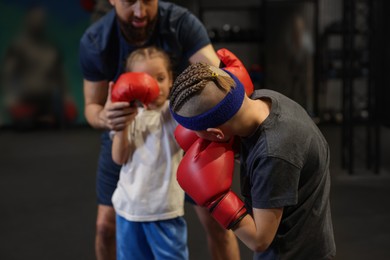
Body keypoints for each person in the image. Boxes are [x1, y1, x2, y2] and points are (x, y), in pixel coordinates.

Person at [79, 1, 239, 259]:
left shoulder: (181, 24)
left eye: (147, 1)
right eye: (130, 1)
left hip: (183, 129)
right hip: (127, 125)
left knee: (219, 224)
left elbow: (218, 82)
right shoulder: (97, 41)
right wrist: (107, 117)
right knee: (105, 227)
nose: (140, 12)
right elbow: (91, 107)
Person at [169, 62, 336, 259]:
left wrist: (218, 201)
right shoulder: (265, 99)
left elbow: (259, 240)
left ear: (216, 133)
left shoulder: (273, 155)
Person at [110, 46, 188, 259]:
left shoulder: (175, 113)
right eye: (145, 79)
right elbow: (119, 158)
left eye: (160, 78)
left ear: (171, 79)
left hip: (165, 211)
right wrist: (123, 125)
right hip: (129, 209)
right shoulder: (129, 116)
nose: (154, 86)